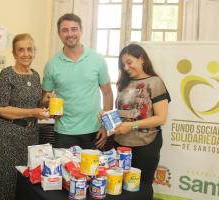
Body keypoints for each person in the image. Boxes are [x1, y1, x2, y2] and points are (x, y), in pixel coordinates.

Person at [0, 33, 49, 200]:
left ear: (34, 52)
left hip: (30, 136)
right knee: (3, 182)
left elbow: (34, 106)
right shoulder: (7, 74)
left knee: (24, 183)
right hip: (7, 136)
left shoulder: (35, 76)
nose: (26, 53)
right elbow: (0, 108)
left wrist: (44, 102)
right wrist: (33, 112)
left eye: (29, 49)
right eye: (20, 50)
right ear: (14, 54)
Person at [42, 13, 113, 149]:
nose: (70, 34)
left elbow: (108, 93)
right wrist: (48, 101)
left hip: (94, 131)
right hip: (64, 132)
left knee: (93, 171)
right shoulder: (51, 64)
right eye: (65, 30)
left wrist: (106, 126)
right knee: (65, 170)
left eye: (74, 29)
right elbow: (44, 98)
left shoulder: (97, 60)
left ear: (81, 31)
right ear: (59, 33)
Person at [112, 43, 170, 199]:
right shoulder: (123, 84)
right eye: (123, 64)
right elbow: (122, 113)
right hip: (120, 144)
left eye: (129, 62)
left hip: (145, 145)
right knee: (119, 188)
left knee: (141, 189)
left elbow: (161, 118)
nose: (125, 67)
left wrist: (132, 125)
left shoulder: (155, 82)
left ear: (142, 59)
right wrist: (108, 118)